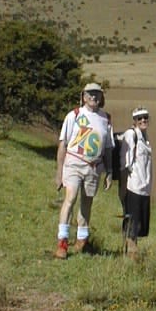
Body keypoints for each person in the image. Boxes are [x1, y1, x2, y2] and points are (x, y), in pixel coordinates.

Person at [54, 83, 114, 259]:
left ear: (101, 97)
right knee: (70, 198)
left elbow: (109, 148)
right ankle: (62, 242)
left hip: (94, 167)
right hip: (73, 163)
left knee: (87, 203)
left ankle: (82, 241)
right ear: (83, 96)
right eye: (90, 94)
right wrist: (59, 172)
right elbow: (63, 144)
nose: (93, 97)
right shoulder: (74, 115)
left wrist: (109, 171)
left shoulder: (106, 119)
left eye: (97, 94)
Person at [119, 106, 153, 259]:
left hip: (144, 188)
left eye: (145, 117)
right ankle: (131, 254)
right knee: (132, 225)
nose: (143, 120)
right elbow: (124, 164)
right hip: (133, 187)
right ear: (134, 120)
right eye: (139, 118)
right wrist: (122, 189)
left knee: (140, 227)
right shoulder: (131, 135)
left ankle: (131, 252)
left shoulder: (145, 138)